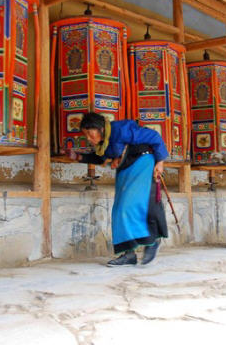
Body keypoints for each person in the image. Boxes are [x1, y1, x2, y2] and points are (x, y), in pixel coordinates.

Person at [66, 112, 169, 266]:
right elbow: (99, 158)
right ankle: (129, 254)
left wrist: (160, 162)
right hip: (125, 169)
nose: (88, 138)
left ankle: (152, 240)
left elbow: (154, 136)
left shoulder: (120, 129)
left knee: (129, 206)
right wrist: (78, 157)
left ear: (100, 128)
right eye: (85, 134)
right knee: (118, 210)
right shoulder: (103, 144)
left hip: (142, 162)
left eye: (89, 133)